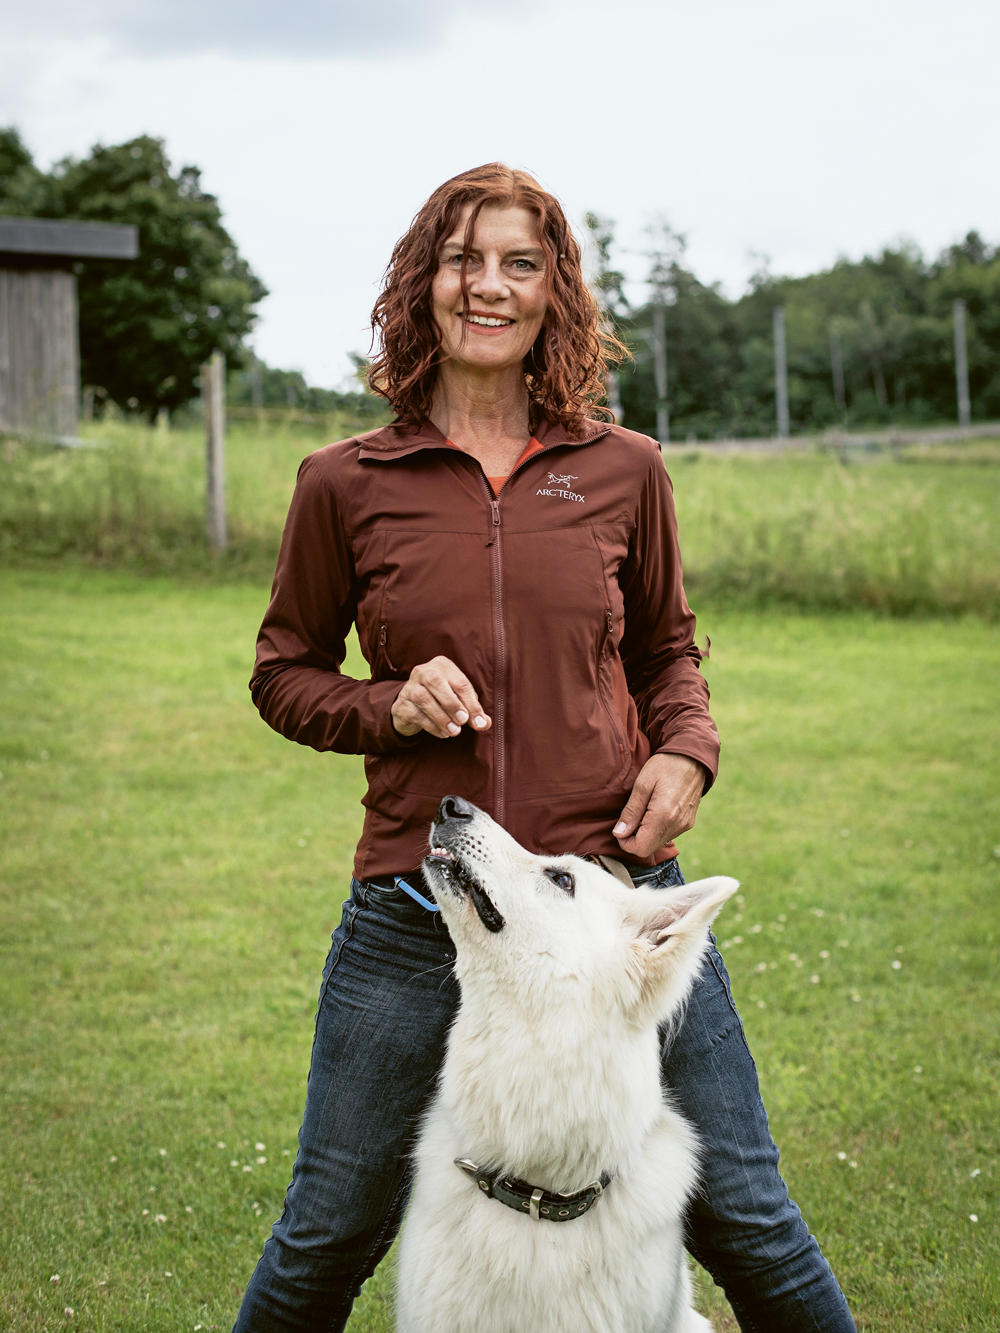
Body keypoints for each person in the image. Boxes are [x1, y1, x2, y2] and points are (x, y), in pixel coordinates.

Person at [236, 163, 856, 1333]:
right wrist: (388, 705)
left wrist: (687, 751)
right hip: (413, 909)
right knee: (328, 1226)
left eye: (519, 263)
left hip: (608, 909)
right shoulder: (344, 482)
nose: (489, 286)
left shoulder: (625, 468)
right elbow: (283, 673)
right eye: (463, 260)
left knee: (750, 1217)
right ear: (422, 284)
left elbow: (669, 654)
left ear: (552, 290)